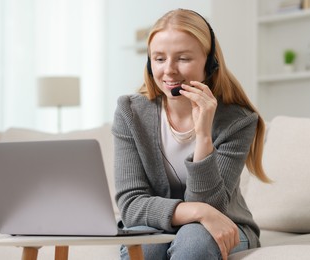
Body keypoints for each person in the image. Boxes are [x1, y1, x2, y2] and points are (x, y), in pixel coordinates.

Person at [111, 8, 270, 260]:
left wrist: (203, 135)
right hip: (157, 225)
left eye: (183, 58)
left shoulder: (238, 121)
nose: (169, 70)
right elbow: (131, 206)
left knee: (194, 241)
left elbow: (214, 208)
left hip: (222, 224)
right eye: (159, 58)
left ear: (210, 63)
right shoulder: (130, 112)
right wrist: (198, 211)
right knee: (146, 246)